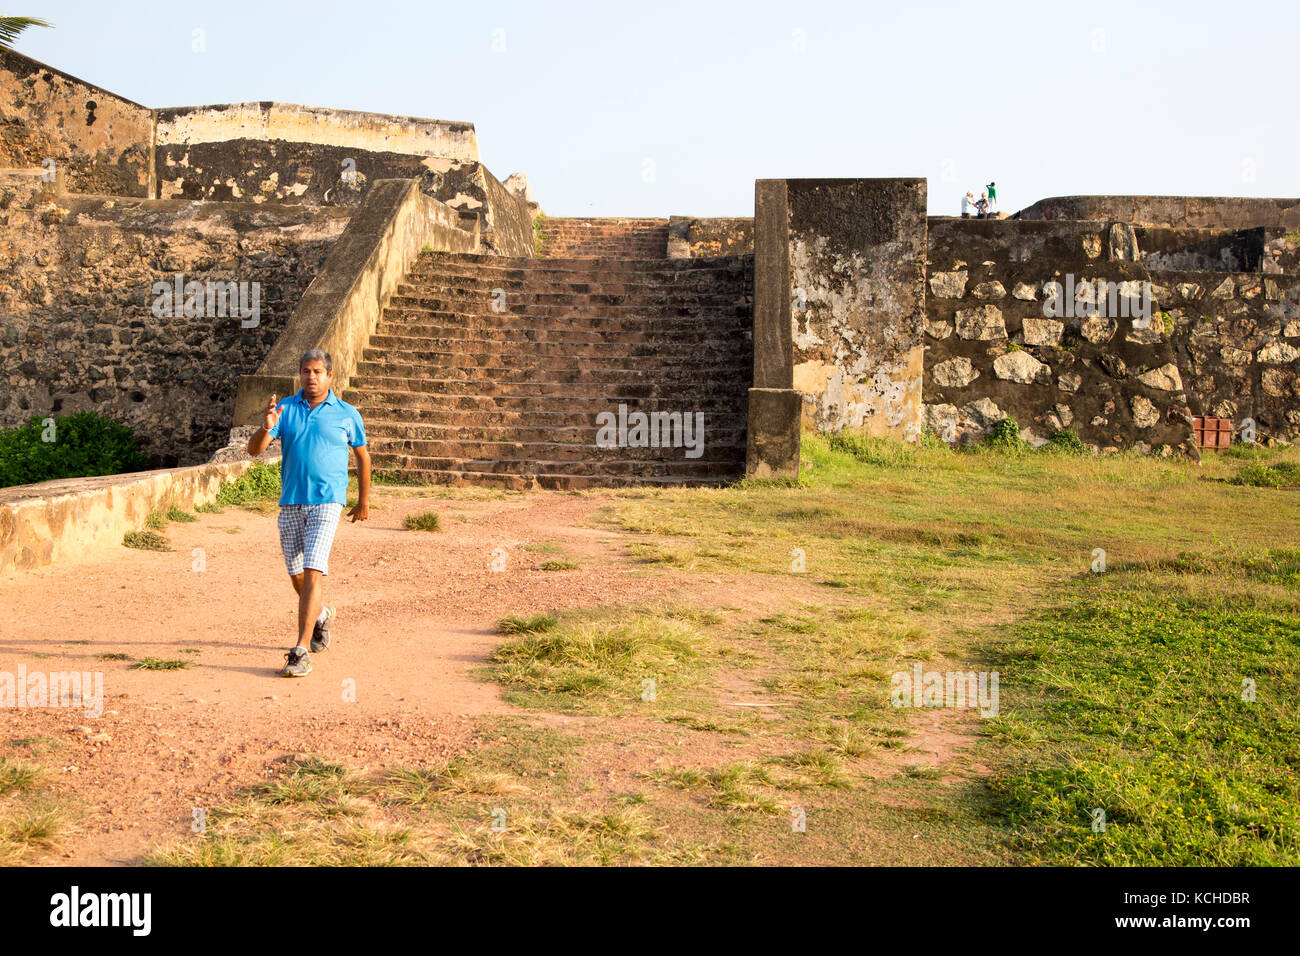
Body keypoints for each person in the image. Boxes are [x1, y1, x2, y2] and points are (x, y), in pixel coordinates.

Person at [245, 349, 370, 677]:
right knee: (296, 575)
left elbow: (363, 457)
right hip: (291, 502)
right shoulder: (285, 409)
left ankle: (300, 650)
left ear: (330, 375)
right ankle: (321, 614)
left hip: (328, 502)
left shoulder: (346, 414)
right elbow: (254, 451)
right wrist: (265, 425)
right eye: (305, 371)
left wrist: (363, 501)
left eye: (317, 372)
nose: (310, 377)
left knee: (314, 570)